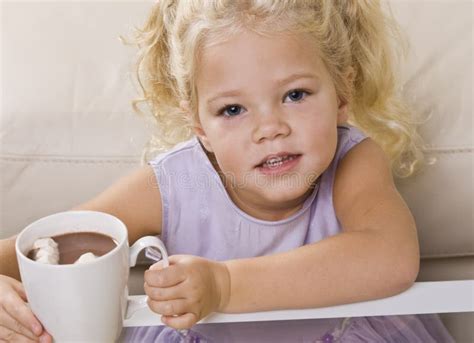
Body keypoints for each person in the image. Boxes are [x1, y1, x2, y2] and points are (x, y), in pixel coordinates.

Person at [0, 0, 456, 342]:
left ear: (341, 91)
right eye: (233, 109)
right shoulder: (176, 184)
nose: (270, 128)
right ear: (199, 125)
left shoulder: (354, 161)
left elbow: (391, 257)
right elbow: (45, 245)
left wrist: (226, 285)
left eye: (295, 95)